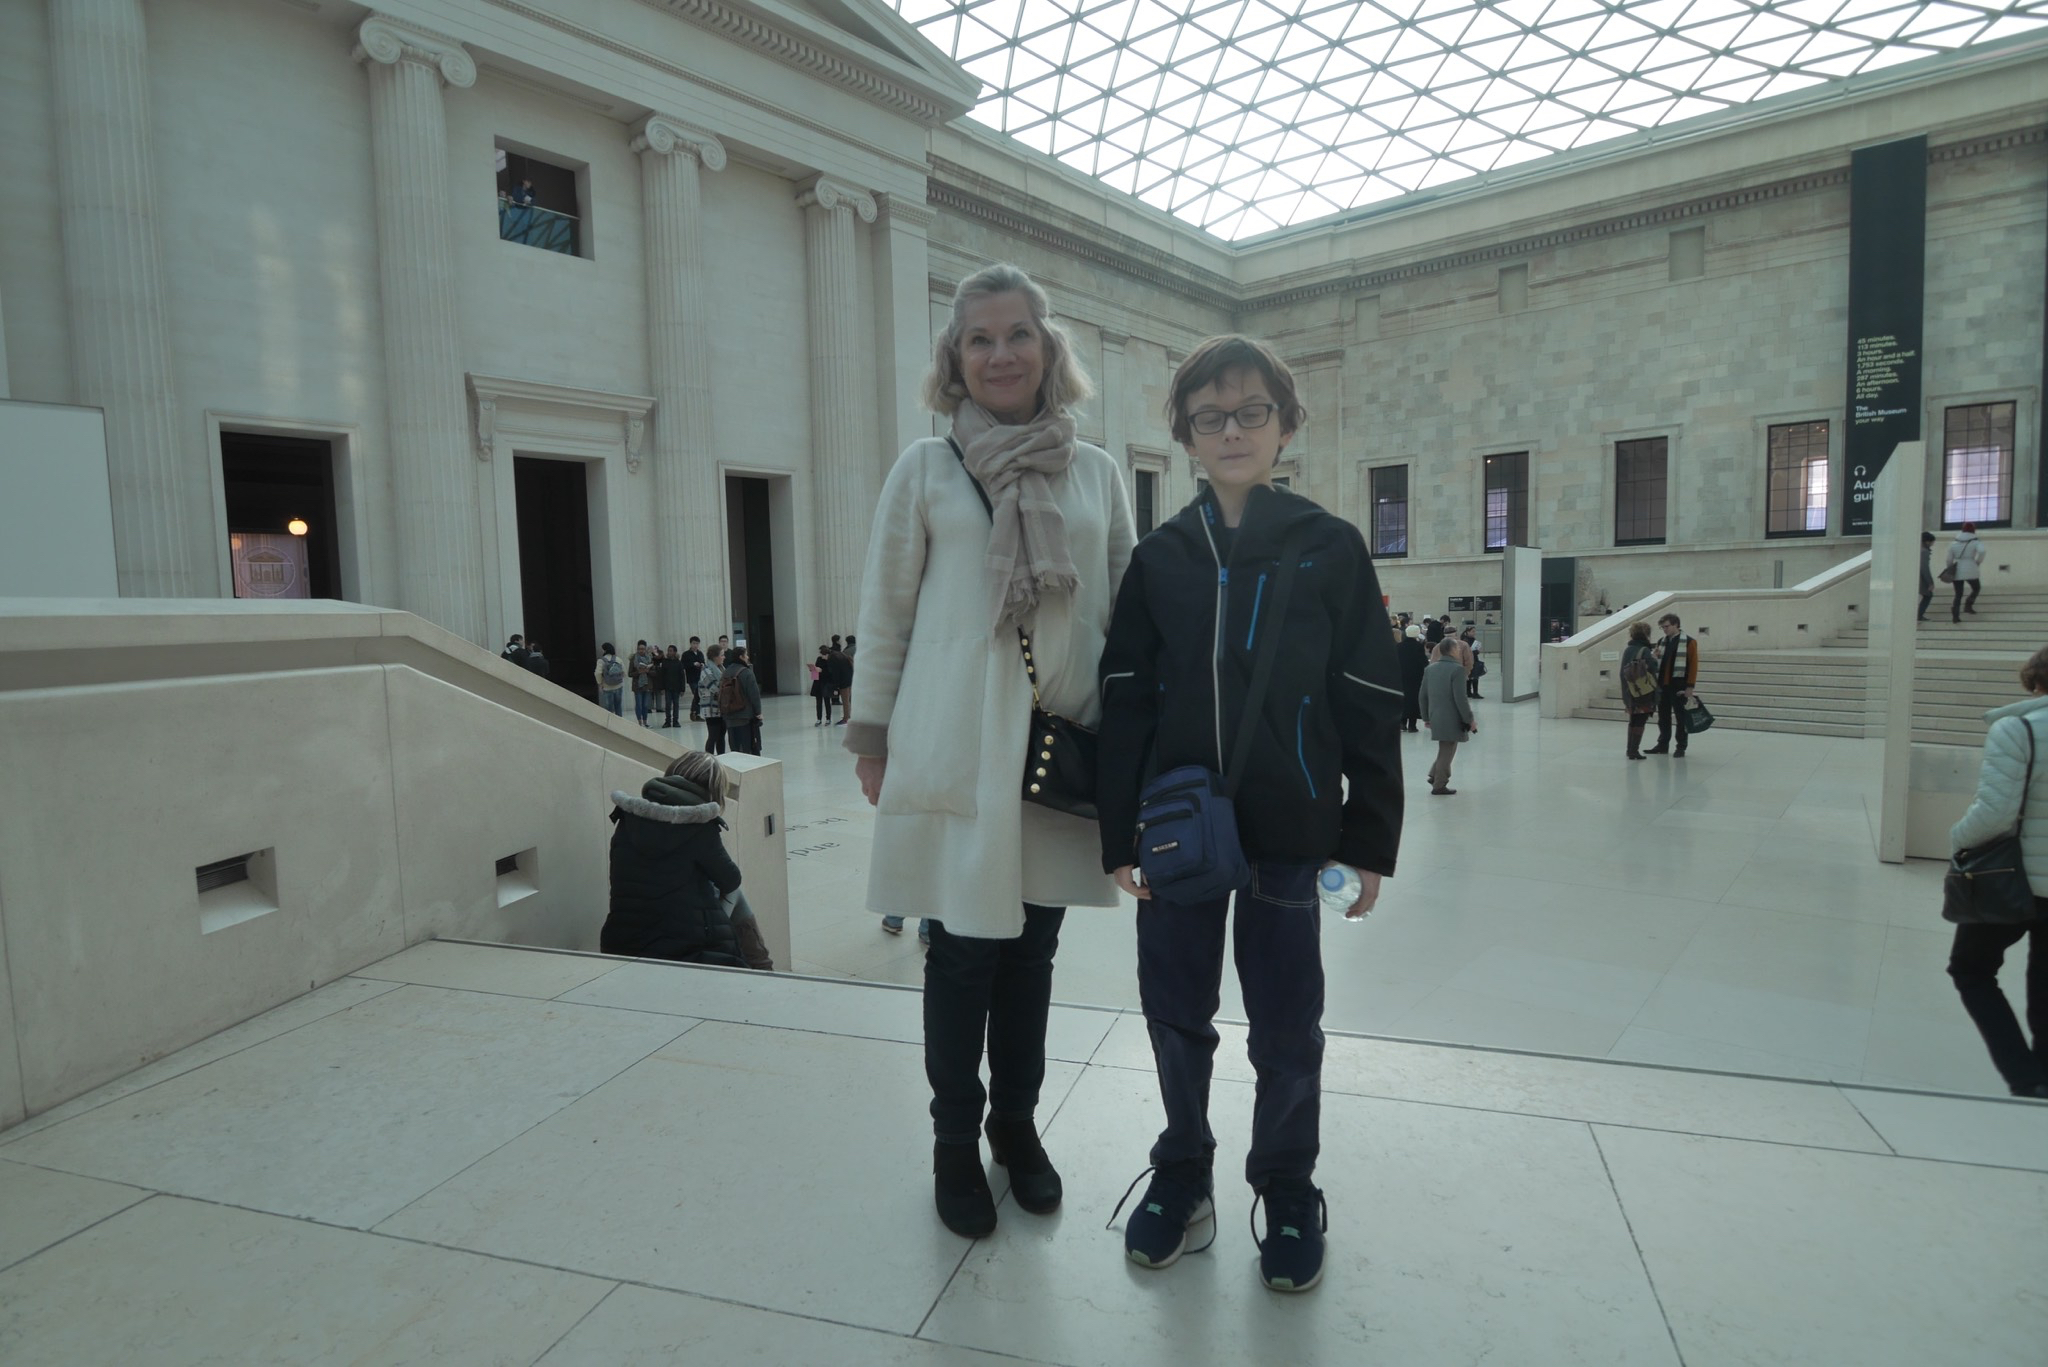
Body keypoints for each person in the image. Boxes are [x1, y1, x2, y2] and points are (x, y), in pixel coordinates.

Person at [1098, 334, 1403, 1295]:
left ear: (1285, 425)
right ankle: (1183, 1167)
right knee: (1174, 1011)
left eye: (1251, 412)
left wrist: (1370, 837)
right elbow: (1125, 698)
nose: (1231, 431)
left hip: (1293, 828)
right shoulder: (1161, 557)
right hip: (1179, 829)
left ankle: (1287, 1182)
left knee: (1286, 1025)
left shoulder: (1329, 546)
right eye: (1210, 416)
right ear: (1186, 435)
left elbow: (1368, 697)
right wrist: (1116, 830)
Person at [847, 262, 1133, 1241]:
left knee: (1033, 954)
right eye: (980, 338)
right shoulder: (926, 469)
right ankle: (951, 1142)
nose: (1000, 353)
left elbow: (1125, 617)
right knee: (962, 954)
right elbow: (885, 609)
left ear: (1048, 350)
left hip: (1057, 750)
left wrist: (1137, 743)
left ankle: (1015, 1122)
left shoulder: (1094, 473)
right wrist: (871, 734)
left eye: (1018, 335)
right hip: (958, 748)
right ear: (955, 357)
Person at [1944, 643, 2048, 1098]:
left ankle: (2026, 1078)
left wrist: (1957, 839)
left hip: (2013, 880)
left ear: (2035, 679)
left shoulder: (2018, 728)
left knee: (1971, 970)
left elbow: (1995, 814)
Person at [601, 750, 773, 971]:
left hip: (622, 940)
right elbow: (731, 879)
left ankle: (764, 968)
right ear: (712, 790)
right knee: (735, 894)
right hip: (683, 948)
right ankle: (765, 970)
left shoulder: (628, 817)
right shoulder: (699, 826)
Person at [1418, 636, 1475, 795]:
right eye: (1457, 648)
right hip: (1452, 717)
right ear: (1452, 650)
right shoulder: (1457, 670)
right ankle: (1439, 784)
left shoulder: (1430, 669)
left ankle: (1434, 775)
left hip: (1435, 715)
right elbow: (1461, 698)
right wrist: (1469, 719)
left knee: (1445, 747)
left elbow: (1422, 695)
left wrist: (1426, 717)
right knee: (1448, 750)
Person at [1645, 612, 1698, 757]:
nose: (1664, 629)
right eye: (1662, 627)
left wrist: (1690, 686)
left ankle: (1681, 746)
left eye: (1666, 626)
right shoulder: (1662, 641)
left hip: (1679, 686)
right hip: (1662, 686)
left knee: (1681, 718)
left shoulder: (1689, 642)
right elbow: (1656, 663)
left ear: (1676, 625)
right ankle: (1662, 744)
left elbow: (1693, 665)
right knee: (1663, 717)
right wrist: (1654, 657)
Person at [1619, 621, 1657, 760]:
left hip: (1630, 691)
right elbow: (1652, 668)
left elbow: (1622, 672)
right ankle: (1634, 750)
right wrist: (1655, 658)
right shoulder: (1645, 650)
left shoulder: (1628, 649)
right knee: (1641, 720)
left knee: (1633, 720)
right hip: (1643, 692)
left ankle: (1630, 749)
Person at [721, 645, 763, 755]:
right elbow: (754, 695)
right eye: (746, 655)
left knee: (735, 749)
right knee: (748, 748)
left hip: (729, 716)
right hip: (745, 716)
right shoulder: (746, 672)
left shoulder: (726, 672)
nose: (748, 657)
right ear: (741, 657)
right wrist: (758, 712)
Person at [1948, 522, 1986, 622]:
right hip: (1970, 567)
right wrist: (1978, 562)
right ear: (1973, 530)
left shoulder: (1954, 543)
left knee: (1958, 594)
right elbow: (1982, 551)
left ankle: (1955, 615)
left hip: (1957, 569)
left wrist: (1950, 568)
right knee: (1976, 588)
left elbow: (1949, 559)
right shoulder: (1975, 541)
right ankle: (1968, 605)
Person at [697, 644, 728, 754]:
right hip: (711, 708)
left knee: (721, 736)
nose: (724, 657)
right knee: (713, 735)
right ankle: (708, 758)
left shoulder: (721, 668)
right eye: (722, 655)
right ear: (715, 657)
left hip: (721, 707)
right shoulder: (706, 670)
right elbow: (714, 688)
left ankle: (721, 758)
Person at [1398, 624, 1428, 733]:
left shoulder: (1399, 646)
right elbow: (1423, 661)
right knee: (1414, 699)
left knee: (1403, 698)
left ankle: (1402, 723)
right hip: (1415, 677)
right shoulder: (1418, 646)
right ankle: (1412, 725)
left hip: (1401, 676)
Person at [825, 641, 854, 726]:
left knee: (845, 701)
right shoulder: (841, 655)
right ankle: (848, 716)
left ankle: (846, 718)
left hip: (843, 681)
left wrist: (836, 685)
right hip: (849, 679)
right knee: (848, 700)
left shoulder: (832, 658)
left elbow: (835, 673)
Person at [629, 640, 656, 727]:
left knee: (645, 705)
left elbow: (654, 673)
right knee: (639, 704)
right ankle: (639, 722)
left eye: (643, 649)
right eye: (639, 649)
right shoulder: (633, 659)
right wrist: (638, 672)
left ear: (645, 649)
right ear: (637, 649)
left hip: (647, 685)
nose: (641, 651)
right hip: (637, 685)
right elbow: (630, 673)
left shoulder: (650, 658)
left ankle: (645, 722)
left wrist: (648, 671)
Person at [595, 642, 626, 716]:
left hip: (607, 687)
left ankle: (610, 722)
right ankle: (619, 721)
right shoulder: (618, 659)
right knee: (618, 707)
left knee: (609, 709)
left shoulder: (601, 661)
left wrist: (600, 683)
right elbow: (624, 672)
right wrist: (618, 679)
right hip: (619, 686)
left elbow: (598, 673)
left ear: (605, 650)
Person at [659, 645, 685, 728]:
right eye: (668, 650)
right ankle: (667, 721)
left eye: (671, 651)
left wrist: (682, 689)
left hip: (676, 688)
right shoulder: (665, 662)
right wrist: (662, 687)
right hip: (667, 687)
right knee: (668, 705)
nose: (669, 652)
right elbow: (662, 676)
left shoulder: (679, 663)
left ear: (674, 652)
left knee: (676, 704)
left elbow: (682, 676)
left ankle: (675, 721)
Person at [682, 637, 707, 720]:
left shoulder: (700, 653)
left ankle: (694, 712)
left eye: (697, 643)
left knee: (698, 695)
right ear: (690, 644)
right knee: (697, 694)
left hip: (700, 677)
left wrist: (702, 664)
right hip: (692, 678)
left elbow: (703, 662)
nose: (695, 645)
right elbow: (683, 665)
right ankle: (696, 713)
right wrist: (693, 664)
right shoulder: (686, 654)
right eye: (694, 643)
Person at [810, 645, 835, 726]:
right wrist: (813, 670)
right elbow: (815, 673)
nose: (821, 656)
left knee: (827, 701)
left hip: (826, 683)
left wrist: (822, 671)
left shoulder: (830, 661)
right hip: (818, 683)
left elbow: (831, 673)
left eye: (822, 654)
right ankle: (819, 718)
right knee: (818, 702)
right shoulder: (819, 659)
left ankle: (828, 718)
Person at [1918, 531, 1937, 624]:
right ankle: (1919, 615)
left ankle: (1918, 615)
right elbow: (1925, 568)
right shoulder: (1924, 552)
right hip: (1921, 579)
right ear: (1927, 541)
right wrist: (1930, 582)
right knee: (1928, 595)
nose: (1933, 544)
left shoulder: (1918, 550)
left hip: (1918, 577)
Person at [1461, 627, 1484, 699]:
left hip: (1473, 660)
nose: (1474, 633)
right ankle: (1474, 692)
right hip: (1470, 660)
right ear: (1467, 632)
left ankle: (1469, 692)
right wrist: (1477, 651)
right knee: (1474, 676)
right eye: (1473, 631)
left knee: (1470, 676)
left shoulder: (1471, 640)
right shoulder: (1466, 641)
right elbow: (1468, 653)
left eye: (1475, 631)